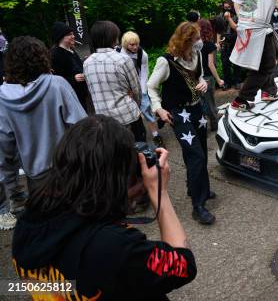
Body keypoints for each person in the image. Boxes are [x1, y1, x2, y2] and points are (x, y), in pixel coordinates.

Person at [12, 115, 196, 299]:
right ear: (117, 178)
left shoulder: (31, 219)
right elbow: (183, 266)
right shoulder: (114, 245)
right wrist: (159, 191)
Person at [0, 36, 86, 230]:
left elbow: (4, 150)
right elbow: (83, 128)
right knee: (80, 225)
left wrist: (13, 190)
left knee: (53, 227)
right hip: (70, 171)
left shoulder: (2, 97)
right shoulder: (57, 84)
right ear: (42, 57)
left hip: (37, 180)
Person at [148, 21, 215, 225]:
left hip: (196, 108)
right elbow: (150, 87)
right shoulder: (165, 61)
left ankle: (197, 186)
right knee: (194, 154)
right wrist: (158, 108)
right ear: (185, 41)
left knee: (201, 148)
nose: (199, 44)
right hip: (179, 112)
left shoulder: (196, 56)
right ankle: (198, 205)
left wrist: (203, 82)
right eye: (195, 41)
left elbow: (200, 77)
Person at [84, 21, 146, 142]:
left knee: (116, 155)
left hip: (104, 120)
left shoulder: (87, 63)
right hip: (128, 115)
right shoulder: (123, 59)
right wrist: (137, 106)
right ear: (113, 37)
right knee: (139, 152)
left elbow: (92, 92)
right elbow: (136, 88)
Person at [119, 31, 164, 147]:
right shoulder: (119, 55)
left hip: (139, 86)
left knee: (147, 111)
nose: (134, 47)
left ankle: (156, 136)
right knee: (130, 115)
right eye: (131, 45)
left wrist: (143, 92)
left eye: (136, 44)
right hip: (126, 89)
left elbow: (144, 73)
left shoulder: (142, 54)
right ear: (125, 44)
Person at [49, 21, 89, 111]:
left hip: (81, 95)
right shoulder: (56, 54)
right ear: (61, 37)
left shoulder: (71, 50)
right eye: (70, 34)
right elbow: (56, 79)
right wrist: (73, 79)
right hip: (71, 98)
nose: (73, 36)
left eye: (73, 34)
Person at [198, 18, 225, 132]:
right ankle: (215, 125)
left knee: (201, 103)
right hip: (207, 78)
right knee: (210, 103)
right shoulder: (209, 45)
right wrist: (219, 80)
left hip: (197, 78)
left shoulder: (194, 44)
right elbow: (211, 64)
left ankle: (201, 124)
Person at [214, 2, 240, 90]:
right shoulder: (220, 17)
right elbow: (218, 31)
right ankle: (227, 82)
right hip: (224, 42)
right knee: (225, 63)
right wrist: (217, 43)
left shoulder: (236, 16)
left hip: (235, 41)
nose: (227, 9)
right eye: (225, 8)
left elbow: (236, 28)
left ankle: (237, 81)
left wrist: (228, 18)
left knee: (236, 63)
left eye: (228, 8)